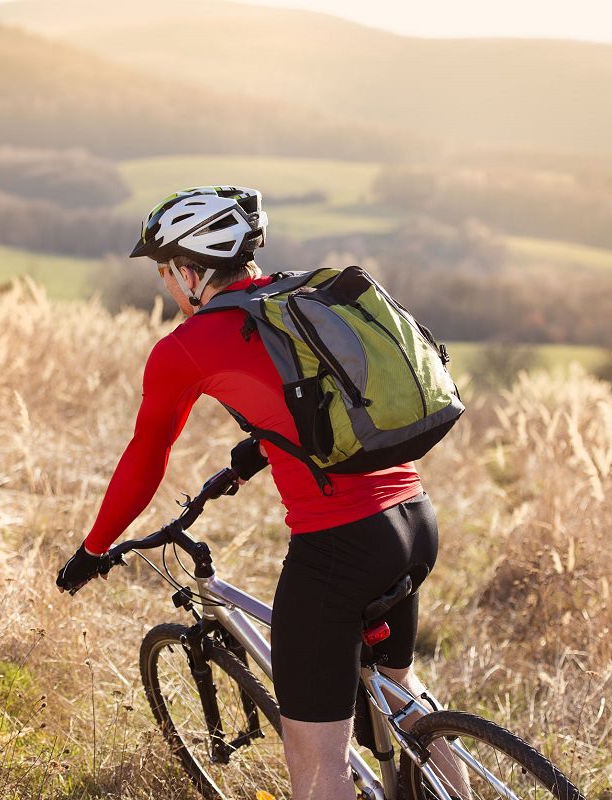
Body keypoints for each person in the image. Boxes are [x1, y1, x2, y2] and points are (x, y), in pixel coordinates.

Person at [56, 186, 462, 799]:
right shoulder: (301, 301)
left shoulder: (187, 346)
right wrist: (253, 455)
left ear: (191, 272)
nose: (166, 284)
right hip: (412, 519)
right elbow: (318, 407)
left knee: (315, 755)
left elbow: (145, 462)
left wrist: (93, 549)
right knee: (402, 698)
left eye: (167, 270)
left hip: (341, 546)